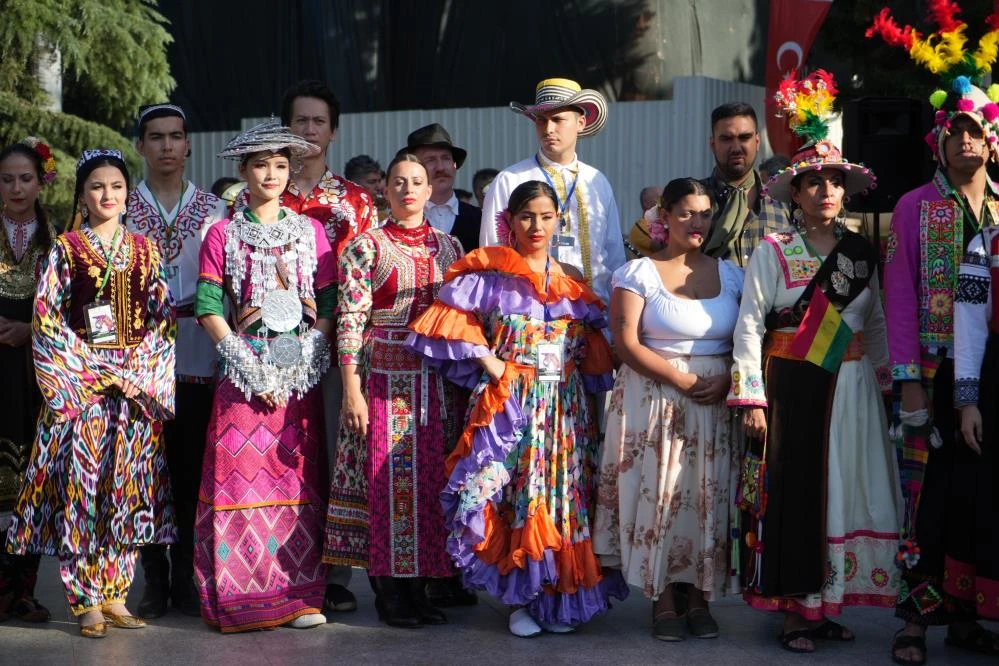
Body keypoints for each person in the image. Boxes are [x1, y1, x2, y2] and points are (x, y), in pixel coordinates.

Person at [407, 180, 628, 637]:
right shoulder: (490, 274)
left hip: (564, 410)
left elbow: (591, 343)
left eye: (546, 217)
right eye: (527, 216)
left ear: (558, 222)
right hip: (511, 406)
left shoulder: (570, 279)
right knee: (515, 496)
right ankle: (521, 600)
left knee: (562, 499)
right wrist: (491, 363)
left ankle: (556, 597)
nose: (537, 226)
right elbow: (448, 321)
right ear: (509, 220)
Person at [728, 71, 900, 654]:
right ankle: (796, 611)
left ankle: (827, 604)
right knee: (799, 492)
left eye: (833, 181)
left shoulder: (860, 252)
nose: (825, 190)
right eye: (813, 183)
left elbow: (874, 324)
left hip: (852, 391)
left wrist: (887, 383)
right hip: (794, 387)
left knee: (845, 490)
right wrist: (750, 397)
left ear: (845, 191)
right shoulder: (774, 252)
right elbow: (749, 325)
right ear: (795, 194)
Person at [869, 5, 999, 661]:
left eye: (976, 133)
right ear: (939, 144)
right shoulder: (914, 208)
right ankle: (915, 621)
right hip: (930, 368)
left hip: (989, 376)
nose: (966, 143)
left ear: (992, 141)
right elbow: (897, 296)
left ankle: (968, 613)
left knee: (978, 498)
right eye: (956, 134)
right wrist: (909, 382)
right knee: (923, 499)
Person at [6, 149, 176, 639]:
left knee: (126, 489)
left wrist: (136, 372)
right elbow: (47, 321)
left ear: (127, 195)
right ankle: (83, 597)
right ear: (82, 195)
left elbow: (163, 320)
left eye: (117, 187)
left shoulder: (146, 251)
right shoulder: (65, 249)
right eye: (97, 187)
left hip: (133, 393)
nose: (108, 195)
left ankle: (116, 592)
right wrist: (95, 371)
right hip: (83, 392)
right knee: (83, 492)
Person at [232, 80, 376, 614]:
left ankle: (333, 573)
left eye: (319, 122)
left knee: (330, 453)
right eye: (300, 122)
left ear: (333, 132)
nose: (309, 131)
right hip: (264, 349)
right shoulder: (255, 195)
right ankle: (268, 564)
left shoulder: (358, 202)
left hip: (335, 345)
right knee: (274, 453)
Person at [193, 121, 334, 632]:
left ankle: (298, 595)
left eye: (280, 164)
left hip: (299, 366)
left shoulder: (310, 231)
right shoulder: (222, 234)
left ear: (290, 169)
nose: (271, 174)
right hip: (242, 367)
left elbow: (330, 302)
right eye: (260, 165)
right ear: (243, 171)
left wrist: (303, 362)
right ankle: (241, 596)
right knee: (239, 479)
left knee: (296, 477)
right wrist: (248, 365)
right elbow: (209, 305)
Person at [593, 177, 743, 641]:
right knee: (659, 497)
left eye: (704, 213)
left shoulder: (733, 273)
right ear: (664, 216)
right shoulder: (637, 273)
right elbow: (625, 342)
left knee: (706, 497)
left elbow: (747, 338)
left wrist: (728, 377)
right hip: (654, 399)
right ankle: (661, 598)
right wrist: (679, 378)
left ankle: (699, 596)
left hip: (714, 402)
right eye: (685, 213)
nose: (696, 222)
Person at [325, 153, 463, 628]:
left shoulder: (449, 246)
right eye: (399, 182)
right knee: (388, 485)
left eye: (417, 182)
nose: (408, 189)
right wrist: (351, 389)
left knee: (430, 485)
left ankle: (421, 588)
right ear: (385, 189)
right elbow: (350, 319)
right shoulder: (368, 246)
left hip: (438, 384)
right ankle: (389, 591)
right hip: (384, 380)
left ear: (429, 191)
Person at [127, 103, 226, 619]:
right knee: (146, 472)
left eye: (175, 137)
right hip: (139, 361)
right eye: (156, 137)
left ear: (189, 145)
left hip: (199, 355)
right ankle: (152, 577)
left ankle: (186, 574)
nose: (167, 146)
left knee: (190, 471)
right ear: (140, 145)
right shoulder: (121, 208)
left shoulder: (214, 210)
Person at [480, 78, 626, 304]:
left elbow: (614, 255)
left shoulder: (597, 182)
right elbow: (492, 254)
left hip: (597, 314)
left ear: (581, 123)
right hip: (529, 315)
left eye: (558, 120)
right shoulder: (510, 179)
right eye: (541, 120)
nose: (548, 129)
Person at [0, 138, 57, 624]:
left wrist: (30, 329)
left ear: (42, 182)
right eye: (7, 178)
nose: (17, 187)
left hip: (34, 375)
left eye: (26, 178)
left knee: (31, 486)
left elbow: (68, 311)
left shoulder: (57, 236)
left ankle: (22, 590)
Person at [701, 102, 789, 267]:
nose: (736, 148)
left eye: (744, 137)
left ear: (757, 141)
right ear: (713, 144)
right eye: (726, 139)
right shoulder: (692, 203)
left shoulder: (784, 202)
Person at [407, 122, 481, 252]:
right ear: (414, 168)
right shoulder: (401, 219)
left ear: (455, 165)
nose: (440, 167)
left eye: (446, 158)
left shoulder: (480, 219)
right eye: (430, 160)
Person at [344, 154, 389, 222]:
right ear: (352, 184)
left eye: (379, 181)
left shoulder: (383, 216)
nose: (379, 187)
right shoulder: (338, 213)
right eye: (372, 182)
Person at [625, 185, 665, 258]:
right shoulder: (641, 226)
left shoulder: (664, 224)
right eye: (660, 198)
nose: (665, 202)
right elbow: (663, 249)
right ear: (646, 203)